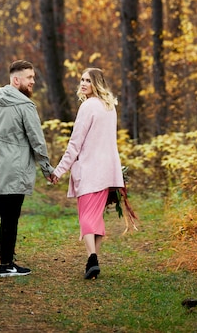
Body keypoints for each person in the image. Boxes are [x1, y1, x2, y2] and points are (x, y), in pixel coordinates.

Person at [0, 59, 54, 278]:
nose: (33, 82)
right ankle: (6, 265)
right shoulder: (25, 106)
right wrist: (46, 168)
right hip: (13, 169)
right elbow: (37, 140)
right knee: (9, 217)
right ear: (16, 80)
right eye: (29, 78)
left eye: (33, 77)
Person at [51, 67, 124, 280]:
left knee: (86, 217)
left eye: (88, 81)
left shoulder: (88, 107)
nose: (83, 84)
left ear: (96, 84)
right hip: (107, 170)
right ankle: (93, 260)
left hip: (90, 170)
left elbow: (75, 144)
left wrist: (59, 171)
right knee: (96, 218)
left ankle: (92, 257)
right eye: (81, 80)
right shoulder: (109, 106)